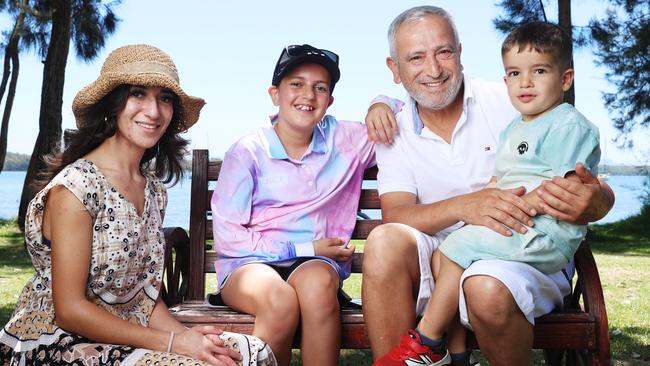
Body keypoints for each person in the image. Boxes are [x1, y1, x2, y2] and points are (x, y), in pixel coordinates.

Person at [360, 6, 615, 366]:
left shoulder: (513, 98)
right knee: (385, 241)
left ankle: (437, 347)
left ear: (460, 53)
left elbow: (581, 170)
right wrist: (466, 206)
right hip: (450, 251)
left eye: (443, 52)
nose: (433, 70)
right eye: (416, 57)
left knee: (485, 282)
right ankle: (408, 358)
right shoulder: (394, 128)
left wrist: (599, 198)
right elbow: (396, 215)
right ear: (395, 70)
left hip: (523, 242)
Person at [0, 44, 275, 366]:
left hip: (128, 332)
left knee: (252, 352)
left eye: (165, 98)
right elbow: (70, 311)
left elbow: (145, 295)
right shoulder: (75, 189)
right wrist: (174, 342)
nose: (154, 111)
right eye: (138, 94)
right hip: (55, 343)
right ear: (111, 106)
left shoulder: (153, 189)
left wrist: (191, 340)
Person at [210, 44, 377, 366]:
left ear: (329, 102)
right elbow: (229, 238)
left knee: (318, 285)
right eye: (296, 84)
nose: (308, 95)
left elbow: (405, 113)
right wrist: (305, 247)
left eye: (320, 88)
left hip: (315, 263)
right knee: (279, 300)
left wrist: (380, 104)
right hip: (247, 265)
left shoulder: (345, 140)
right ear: (275, 94)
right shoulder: (248, 151)